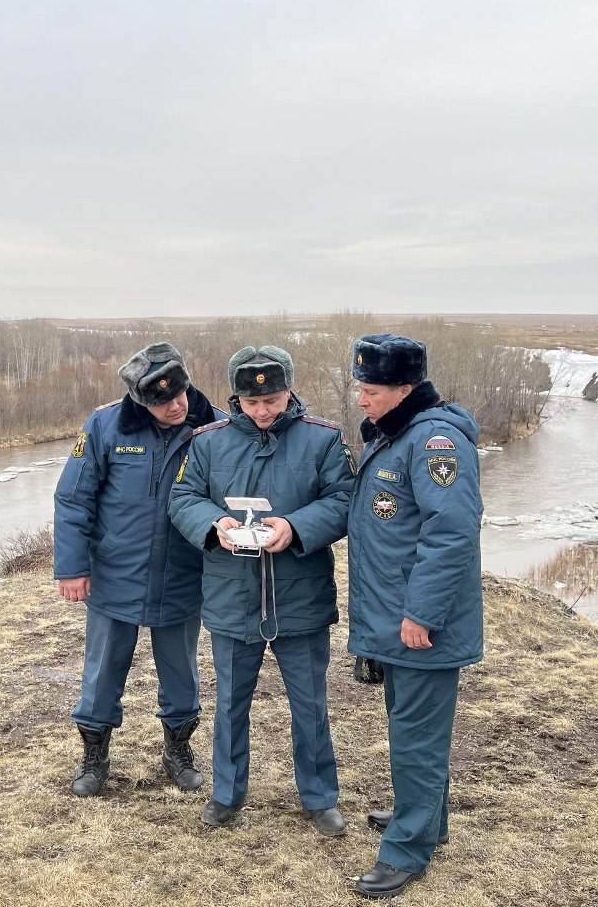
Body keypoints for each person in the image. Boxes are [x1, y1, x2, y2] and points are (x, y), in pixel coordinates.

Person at [169, 346, 354, 836]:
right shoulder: (208, 442)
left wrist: (296, 526)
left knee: (310, 703)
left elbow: (344, 500)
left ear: (288, 389)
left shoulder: (323, 440)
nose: (263, 411)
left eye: (271, 399)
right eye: (252, 402)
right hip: (233, 594)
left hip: (303, 595)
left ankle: (319, 797)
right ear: (237, 398)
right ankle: (227, 793)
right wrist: (215, 524)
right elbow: (182, 497)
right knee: (230, 700)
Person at [345, 334, 484, 899]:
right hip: (397, 619)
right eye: (360, 388)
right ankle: (426, 819)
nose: (362, 400)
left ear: (404, 388)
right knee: (411, 728)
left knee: (416, 739)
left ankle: (407, 849)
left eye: (371, 390)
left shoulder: (434, 442)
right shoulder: (400, 434)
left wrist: (422, 614)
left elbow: (450, 534)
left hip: (422, 625)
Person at [53, 342, 224, 797]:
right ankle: (94, 755)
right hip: (115, 574)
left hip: (184, 574)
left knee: (181, 670)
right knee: (103, 670)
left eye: (180, 393)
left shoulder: (213, 427)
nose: (176, 406)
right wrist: (71, 568)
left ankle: (177, 750)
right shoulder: (104, 425)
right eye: (162, 401)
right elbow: (73, 499)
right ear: (139, 400)